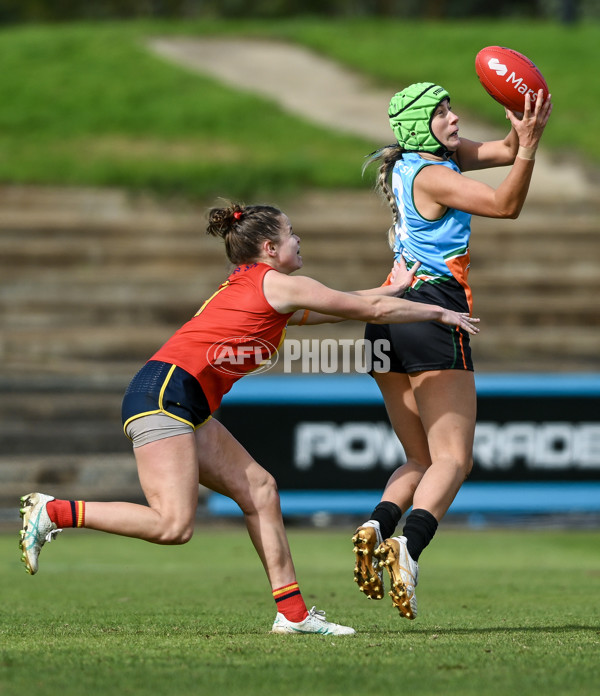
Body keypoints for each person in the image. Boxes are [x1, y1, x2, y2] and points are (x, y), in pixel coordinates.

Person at [20, 201, 479, 635]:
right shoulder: (274, 282)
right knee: (173, 525)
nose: (299, 239)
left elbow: (334, 311)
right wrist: (438, 310)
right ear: (270, 249)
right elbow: (366, 310)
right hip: (165, 395)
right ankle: (54, 511)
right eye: (291, 233)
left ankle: (293, 615)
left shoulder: (257, 285)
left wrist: (392, 289)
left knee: (260, 490)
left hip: (177, 396)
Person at [352, 82, 552, 620]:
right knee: (454, 460)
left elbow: (502, 151)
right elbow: (506, 204)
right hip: (431, 314)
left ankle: (376, 527)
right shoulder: (436, 175)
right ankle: (408, 550)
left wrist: (523, 117)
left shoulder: (418, 161)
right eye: (442, 113)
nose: (455, 117)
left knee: (419, 459)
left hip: (385, 319)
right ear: (421, 126)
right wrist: (531, 149)